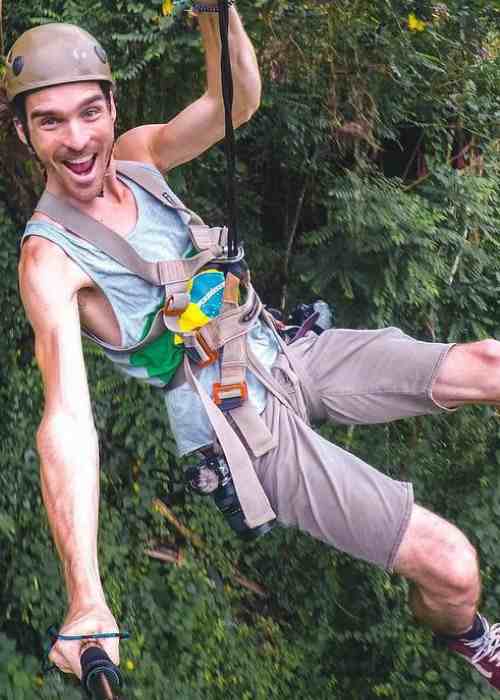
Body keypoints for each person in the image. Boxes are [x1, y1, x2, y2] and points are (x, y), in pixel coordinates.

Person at [4, 6, 500, 691]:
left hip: (278, 349)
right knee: (452, 565)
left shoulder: (140, 158)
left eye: (89, 112)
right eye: (50, 122)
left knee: (488, 364)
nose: (78, 139)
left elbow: (230, 102)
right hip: (238, 431)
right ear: (23, 133)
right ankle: (472, 639)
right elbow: (65, 422)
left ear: (114, 105)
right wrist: (85, 594)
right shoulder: (50, 259)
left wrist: (218, 17)